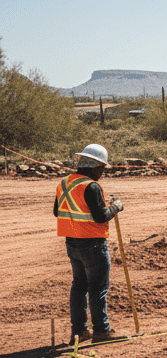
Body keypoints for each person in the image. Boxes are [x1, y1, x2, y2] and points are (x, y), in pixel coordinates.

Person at [54, 144, 125, 343]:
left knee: (79, 287)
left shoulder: (64, 183)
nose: (101, 173)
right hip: (93, 244)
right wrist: (116, 206)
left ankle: (79, 331)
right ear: (94, 167)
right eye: (101, 168)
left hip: (72, 243)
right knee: (97, 288)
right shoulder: (91, 186)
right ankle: (102, 330)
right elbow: (101, 217)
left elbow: (57, 211)